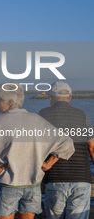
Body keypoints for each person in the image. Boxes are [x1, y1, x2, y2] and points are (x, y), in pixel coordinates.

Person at [0, 83, 75, 219]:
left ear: (10, 102)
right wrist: (48, 164)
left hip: (8, 185)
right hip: (32, 185)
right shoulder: (36, 120)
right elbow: (66, 143)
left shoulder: (0, 121)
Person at [39, 81, 94, 219]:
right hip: (81, 178)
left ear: (50, 98)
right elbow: (92, 147)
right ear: (70, 98)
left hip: (54, 178)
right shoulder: (82, 116)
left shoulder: (43, 115)